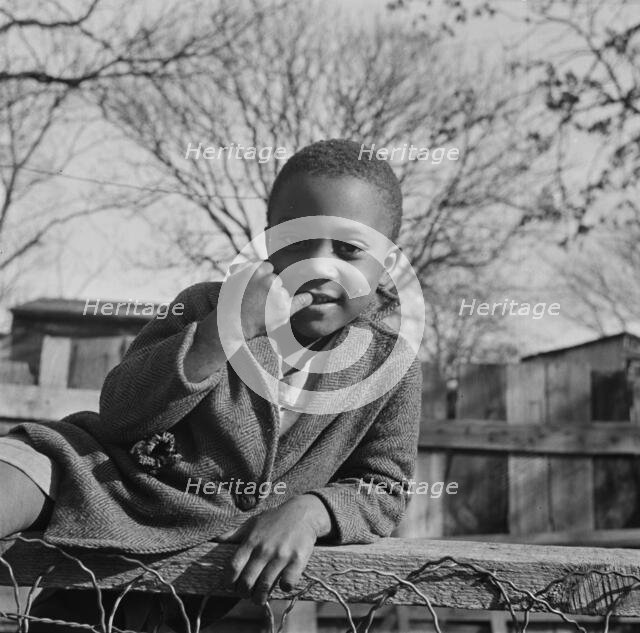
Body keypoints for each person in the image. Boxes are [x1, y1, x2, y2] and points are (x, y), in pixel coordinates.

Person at [0, 139, 422, 631]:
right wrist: (222, 332)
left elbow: (384, 489)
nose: (321, 266)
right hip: (110, 482)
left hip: (219, 559)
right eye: (300, 242)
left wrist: (312, 512)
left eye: (350, 250)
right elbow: (121, 413)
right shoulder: (206, 305)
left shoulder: (390, 367)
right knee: (18, 469)